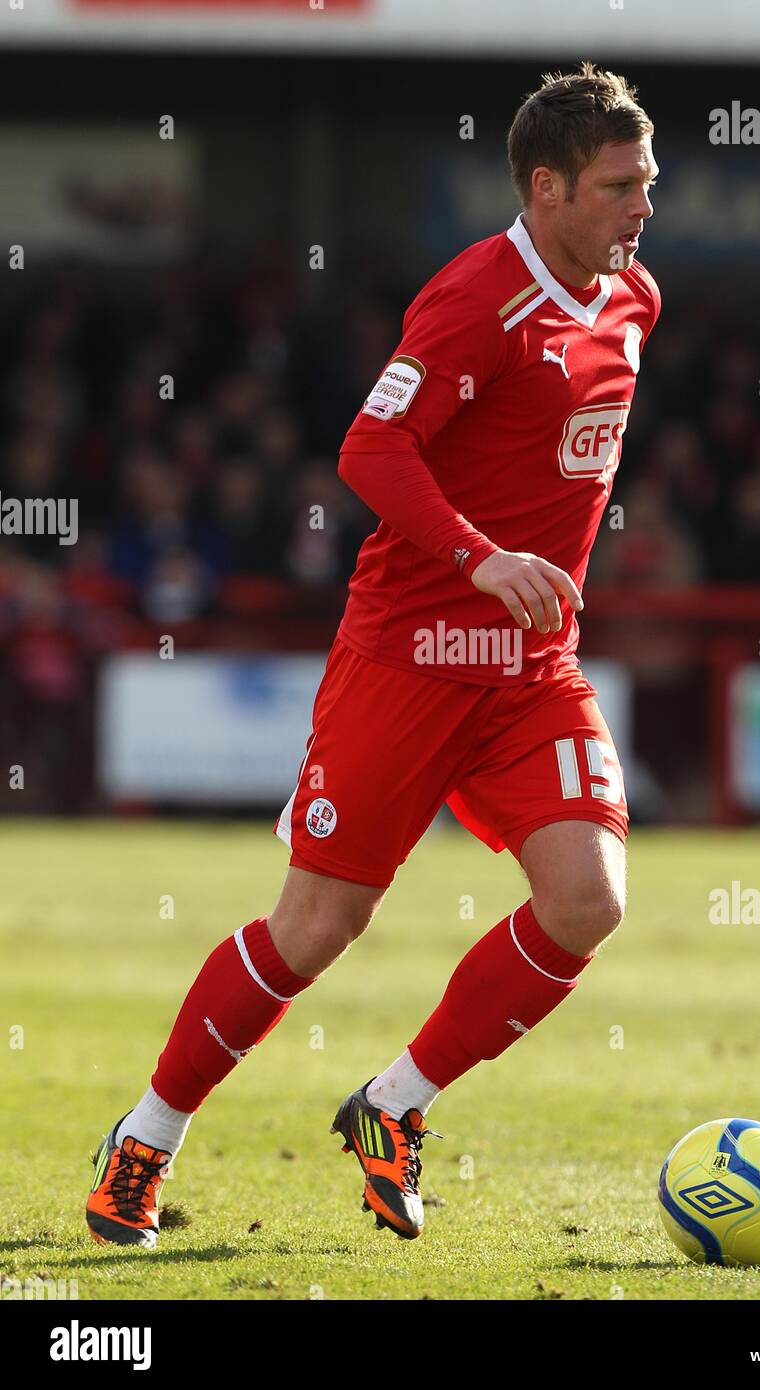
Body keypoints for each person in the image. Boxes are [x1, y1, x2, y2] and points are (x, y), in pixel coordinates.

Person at [86, 61, 661, 1247]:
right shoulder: (472, 298)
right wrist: (479, 556)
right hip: (408, 652)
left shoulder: (632, 299)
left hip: (525, 672)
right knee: (313, 930)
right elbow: (370, 447)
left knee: (587, 899)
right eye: (618, 187)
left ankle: (394, 1106)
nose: (639, 207)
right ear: (545, 187)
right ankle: (142, 1139)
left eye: (645, 183)